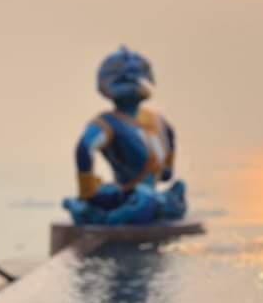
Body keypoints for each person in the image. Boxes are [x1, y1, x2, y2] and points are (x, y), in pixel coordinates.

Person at [62, 46, 187, 226]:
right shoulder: (109, 123)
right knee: (143, 201)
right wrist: (88, 191)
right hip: (133, 197)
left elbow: (84, 147)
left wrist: (87, 191)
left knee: (158, 197)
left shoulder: (157, 122)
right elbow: (84, 147)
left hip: (145, 198)